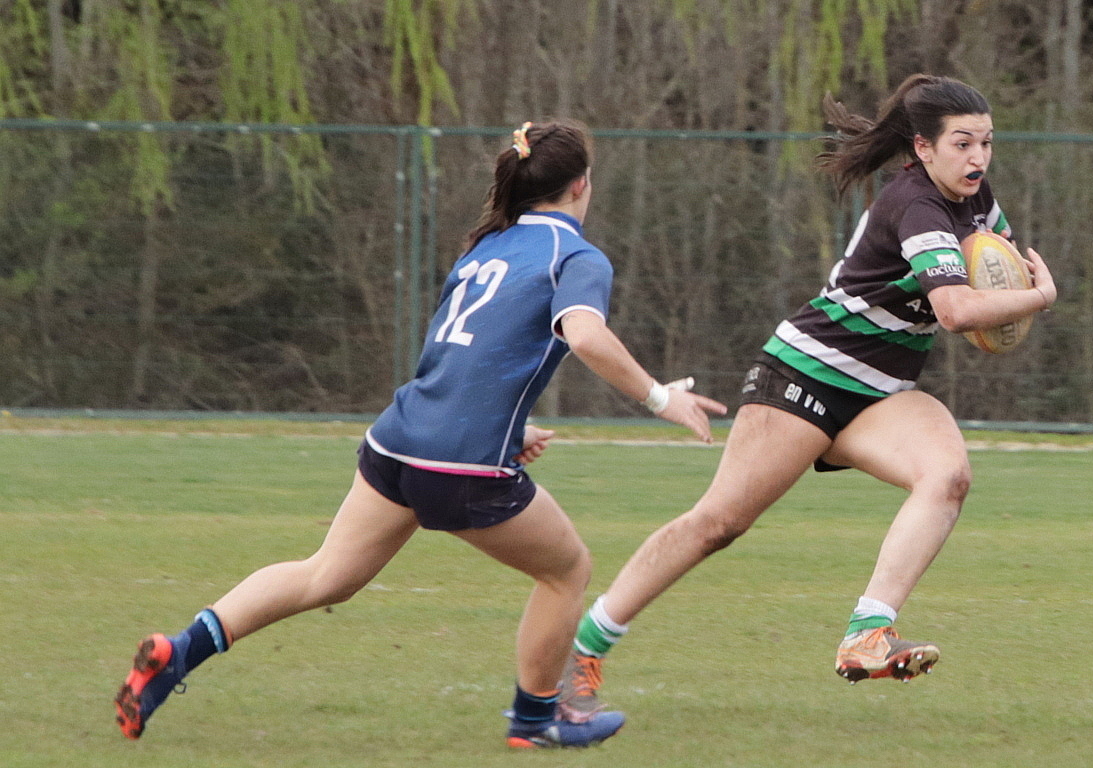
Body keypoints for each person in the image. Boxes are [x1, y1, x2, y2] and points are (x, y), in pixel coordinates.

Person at [113, 119, 727, 749]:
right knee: (567, 572)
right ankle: (536, 721)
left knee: (327, 575)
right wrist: (662, 398)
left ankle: (178, 653)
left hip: (398, 441)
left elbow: (459, 359)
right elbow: (587, 336)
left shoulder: (486, 248)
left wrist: (511, 427)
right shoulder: (575, 255)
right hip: (460, 466)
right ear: (580, 186)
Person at [557, 74, 1058, 721]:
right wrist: (1036, 298)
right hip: (806, 376)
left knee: (948, 475)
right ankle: (583, 650)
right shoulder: (916, 204)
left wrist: (1011, 292)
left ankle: (867, 635)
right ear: (922, 150)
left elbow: (994, 271)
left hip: (881, 391)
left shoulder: (975, 198)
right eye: (962, 144)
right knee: (717, 524)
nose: (978, 158)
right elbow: (959, 309)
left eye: (986, 143)